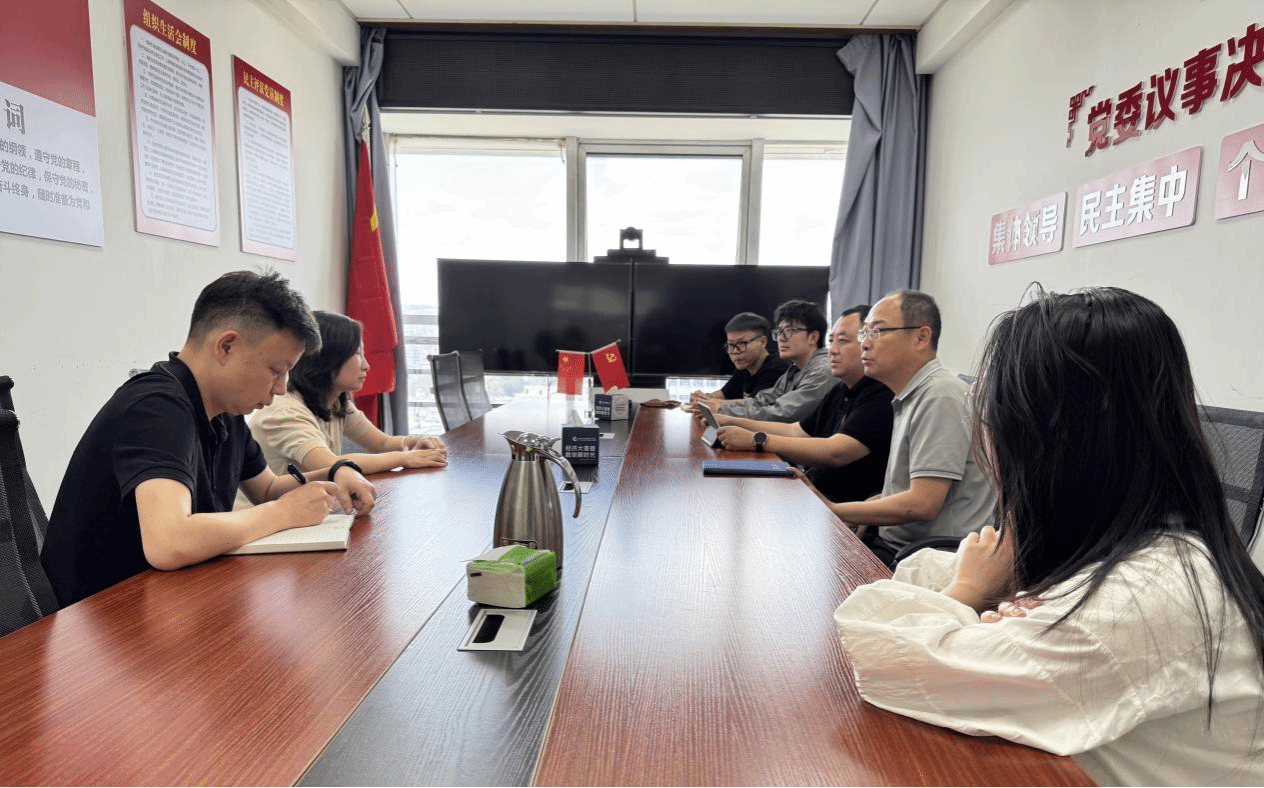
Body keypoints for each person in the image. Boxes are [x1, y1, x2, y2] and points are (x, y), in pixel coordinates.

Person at [834, 286, 1264, 787]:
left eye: (992, 415)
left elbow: (883, 660)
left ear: (1047, 438)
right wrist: (980, 590)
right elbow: (921, 571)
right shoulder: (1116, 540)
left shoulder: (1140, 599)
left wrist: (967, 592)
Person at [41, 270, 377, 607]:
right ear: (226, 346)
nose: (280, 388)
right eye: (276, 371)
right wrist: (283, 513)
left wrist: (336, 472)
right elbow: (169, 541)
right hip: (97, 616)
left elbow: (267, 489)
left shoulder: (225, 410)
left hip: (165, 600)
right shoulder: (157, 406)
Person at [807, 290, 995, 567]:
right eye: (864, 333)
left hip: (929, 558)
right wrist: (866, 509)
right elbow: (910, 491)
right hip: (900, 545)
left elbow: (922, 503)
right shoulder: (910, 395)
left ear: (921, 337)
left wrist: (833, 510)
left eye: (877, 331)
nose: (865, 344)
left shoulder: (939, 395)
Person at [712, 304, 893, 504]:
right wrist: (727, 420)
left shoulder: (880, 394)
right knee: (722, 482)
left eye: (842, 341)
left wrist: (756, 439)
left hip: (833, 505)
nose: (832, 350)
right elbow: (795, 430)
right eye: (831, 341)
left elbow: (835, 452)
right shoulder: (841, 389)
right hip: (812, 489)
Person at [246, 311, 447, 487]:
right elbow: (332, 464)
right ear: (328, 359)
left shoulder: (336, 401)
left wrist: (413, 442)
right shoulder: (285, 413)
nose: (366, 365)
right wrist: (405, 458)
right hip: (267, 515)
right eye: (357, 354)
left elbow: (382, 443)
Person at [694, 299, 837, 423]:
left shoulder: (822, 371)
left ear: (813, 337)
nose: (781, 338)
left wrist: (721, 410)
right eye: (779, 332)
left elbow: (782, 414)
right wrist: (716, 406)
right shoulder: (794, 370)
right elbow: (761, 402)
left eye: (789, 331)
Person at [689, 312, 788, 403]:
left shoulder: (776, 368)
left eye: (742, 343)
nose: (735, 351)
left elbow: (754, 407)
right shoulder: (745, 366)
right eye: (730, 345)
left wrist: (708, 402)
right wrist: (702, 398)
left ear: (762, 342)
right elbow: (723, 394)